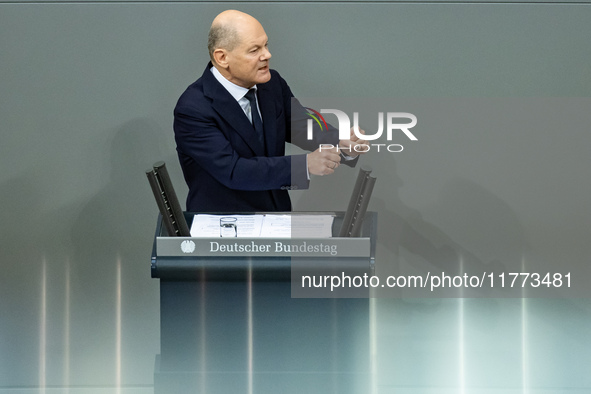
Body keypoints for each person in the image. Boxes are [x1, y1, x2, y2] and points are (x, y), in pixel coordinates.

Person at [174, 10, 366, 212]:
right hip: (223, 231)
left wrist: (342, 143)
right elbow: (233, 170)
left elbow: (301, 125)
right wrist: (304, 165)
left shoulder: (273, 85)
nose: (267, 55)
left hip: (276, 221)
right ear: (222, 58)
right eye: (254, 50)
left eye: (265, 45)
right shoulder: (193, 108)